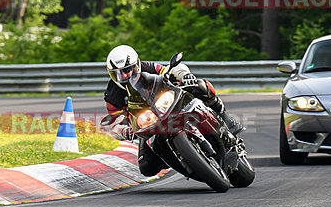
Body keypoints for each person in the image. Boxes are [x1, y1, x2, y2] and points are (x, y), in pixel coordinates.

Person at [101, 44, 244, 176]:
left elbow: (169, 70)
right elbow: (114, 121)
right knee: (147, 167)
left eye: (127, 70)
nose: (124, 75)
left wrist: (184, 76)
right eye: (118, 73)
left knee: (200, 86)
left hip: (169, 102)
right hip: (147, 123)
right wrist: (124, 130)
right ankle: (181, 158)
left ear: (136, 64)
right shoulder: (112, 95)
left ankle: (226, 118)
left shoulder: (148, 67)